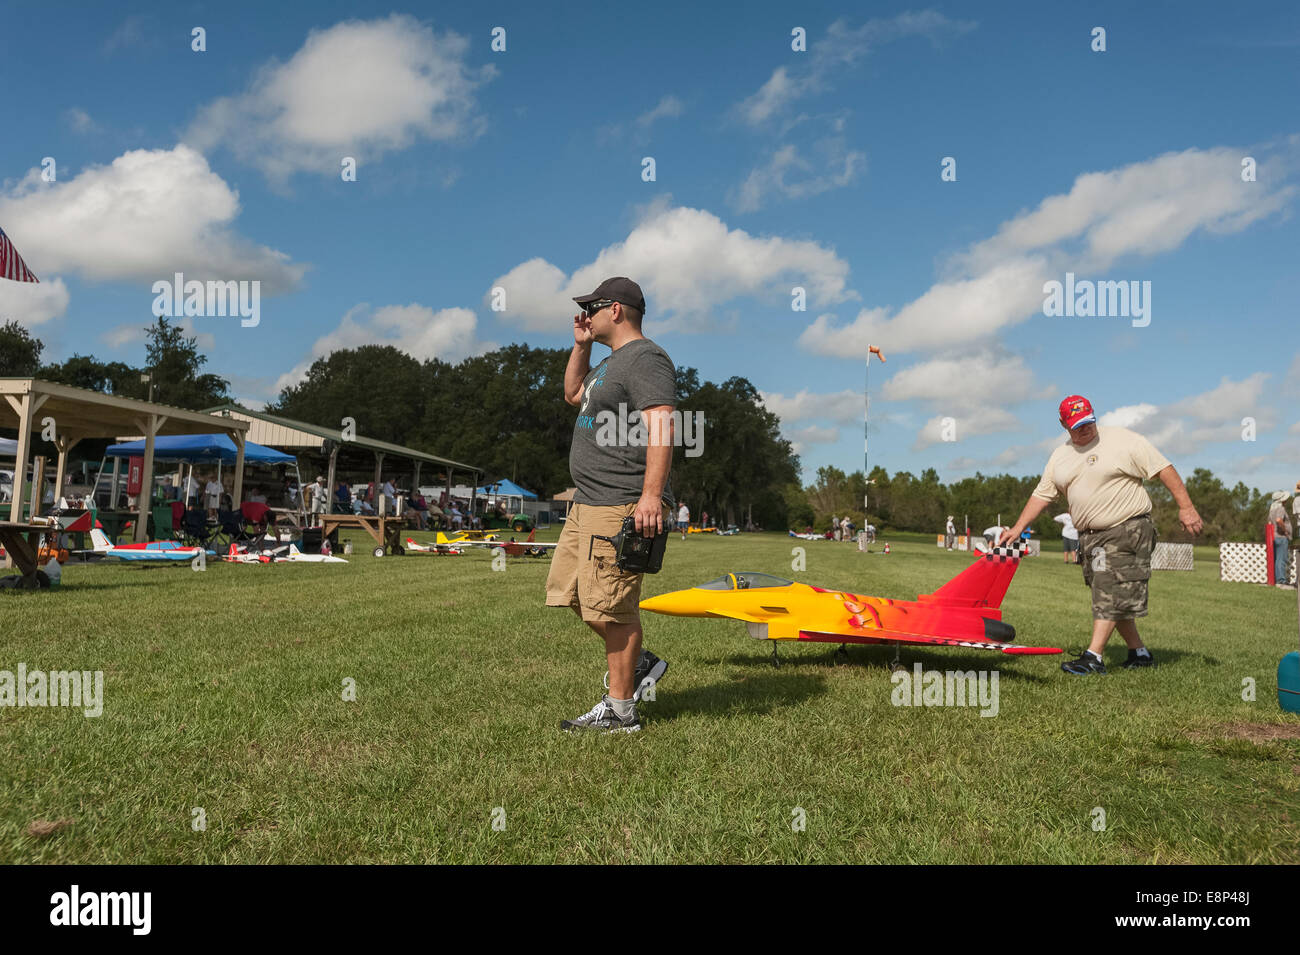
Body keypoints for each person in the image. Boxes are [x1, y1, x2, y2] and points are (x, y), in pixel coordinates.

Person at [547, 277, 674, 733]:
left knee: (612, 608)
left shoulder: (646, 358)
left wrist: (650, 497)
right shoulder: (607, 363)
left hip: (621, 502)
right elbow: (572, 395)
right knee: (575, 595)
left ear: (615, 310)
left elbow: (661, 426)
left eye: (592, 308)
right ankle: (637, 664)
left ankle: (621, 713)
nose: (586, 315)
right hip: (588, 502)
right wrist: (580, 347)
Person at [999, 395, 1202, 675]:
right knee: (1105, 592)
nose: (1085, 429)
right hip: (1091, 538)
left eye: (1088, 423)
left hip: (1127, 528)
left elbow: (1163, 469)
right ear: (1063, 425)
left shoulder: (1124, 440)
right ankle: (1139, 653)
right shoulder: (1060, 456)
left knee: (1107, 589)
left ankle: (1094, 657)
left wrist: (1187, 507)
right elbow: (1042, 494)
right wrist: (1018, 527)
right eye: (1077, 426)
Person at [1268, 490, 1294, 590]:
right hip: (1281, 537)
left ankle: (1276, 579)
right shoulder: (1281, 509)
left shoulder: (1271, 509)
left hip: (1273, 537)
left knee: (1276, 559)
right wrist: (1286, 531)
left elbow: (1270, 523)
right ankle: (1281, 581)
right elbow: (1279, 520)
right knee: (1281, 559)